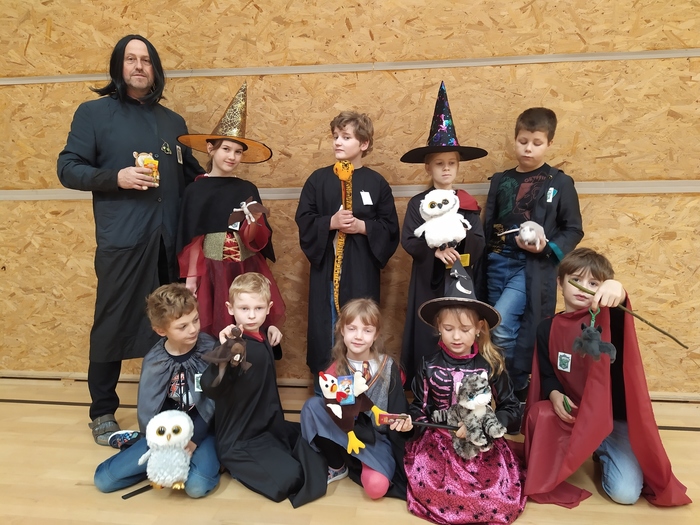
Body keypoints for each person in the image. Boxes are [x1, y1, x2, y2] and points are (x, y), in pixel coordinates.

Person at [57, 34, 204, 444]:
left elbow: (192, 177)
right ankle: (102, 410)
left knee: (175, 320)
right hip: (123, 238)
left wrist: (224, 185)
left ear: (155, 69)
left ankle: (174, 399)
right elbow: (67, 168)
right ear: (118, 67)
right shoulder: (93, 114)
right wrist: (115, 177)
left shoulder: (173, 122)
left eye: (146, 60)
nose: (139, 66)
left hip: (168, 241)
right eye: (130, 59)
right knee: (112, 321)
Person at [522, 247, 691, 508]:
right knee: (540, 413)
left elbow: (621, 317)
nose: (583, 288)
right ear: (560, 283)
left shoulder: (610, 320)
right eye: (575, 280)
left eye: (594, 283)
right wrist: (554, 394)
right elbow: (547, 372)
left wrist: (618, 290)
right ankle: (581, 446)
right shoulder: (547, 328)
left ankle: (601, 451)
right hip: (575, 417)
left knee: (626, 495)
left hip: (611, 421)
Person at [405, 259, 525, 525]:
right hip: (439, 444)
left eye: (465, 329)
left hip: (481, 443)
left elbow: (512, 409)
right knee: (434, 490)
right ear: (438, 327)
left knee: (495, 497)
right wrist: (411, 423)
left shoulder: (491, 365)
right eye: (448, 329)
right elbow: (418, 408)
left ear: (479, 327)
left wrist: (482, 424)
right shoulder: (428, 364)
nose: (456, 337)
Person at [477, 107, 584, 401]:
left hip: (529, 268)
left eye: (537, 143)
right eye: (523, 141)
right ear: (515, 139)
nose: (528, 148)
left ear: (549, 143)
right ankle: (500, 391)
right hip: (495, 263)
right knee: (492, 328)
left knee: (502, 325)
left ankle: (513, 390)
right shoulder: (500, 180)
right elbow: (489, 224)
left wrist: (546, 248)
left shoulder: (559, 182)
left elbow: (573, 229)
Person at [199, 273, 326, 505]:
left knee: (315, 439)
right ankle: (235, 466)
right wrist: (225, 354)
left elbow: (263, 353)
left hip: (268, 425)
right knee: (291, 479)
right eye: (244, 308)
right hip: (239, 438)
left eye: (258, 308)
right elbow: (211, 387)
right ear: (230, 308)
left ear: (268, 308)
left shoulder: (263, 335)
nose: (251, 315)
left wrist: (272, 329)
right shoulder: (231, 345)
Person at [295, 111, 400, 384]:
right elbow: (304, 220)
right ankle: (324, 390)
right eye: (335, 136)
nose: (338, 142)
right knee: (326, 329)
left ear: (364, 143)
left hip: (360, 273)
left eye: (346, 137)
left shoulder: (376, 183)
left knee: (359, 328)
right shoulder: (318, 180)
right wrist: (330, 222)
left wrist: (363, 227)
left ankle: (362, 390)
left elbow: (390, 228)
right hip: (327, 274)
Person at [176, 82, 285, 345]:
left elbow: (260, 240)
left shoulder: (247, 188)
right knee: (213, 324)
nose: (232, 156)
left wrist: (254, 223)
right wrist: (191, 280)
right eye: (226, 149)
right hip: (212, 270)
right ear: (211, 149)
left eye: (238, 152)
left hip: (245, 267)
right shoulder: (196, 190)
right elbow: (193, 239)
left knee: (249, 319)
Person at [93, 284, 220, 498]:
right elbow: (151, 407)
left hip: (203, 432)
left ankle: (208, 462)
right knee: (104, 480)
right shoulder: (155, 360)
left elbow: (213, 403)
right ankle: (152, 463)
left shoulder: (210, 349)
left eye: (196, 320)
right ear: (161, 330)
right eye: (182, 326)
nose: (193, 329)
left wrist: (193, 440)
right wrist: (165, 445)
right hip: (167, 434)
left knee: (196, 487)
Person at [400, 81, 488, 387]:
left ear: (458, 166)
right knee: (428, 330)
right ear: (428, 167)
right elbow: (409, 239)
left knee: (457, 328)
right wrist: (433, 251)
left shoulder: (467, 204)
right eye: (439, 164)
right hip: (428, 280)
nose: (446, 169)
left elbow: (479, 242)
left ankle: (459, 383)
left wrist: (462, 241)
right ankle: (423, 388)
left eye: (451, 163)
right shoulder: (418, 203)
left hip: (460, 279)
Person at [300, 298, 412, 500]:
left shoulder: (388, 367)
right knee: (312, 406)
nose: (358, 336)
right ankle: (337, 465)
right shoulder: (335, 369)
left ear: (376, 334)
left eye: (367, 330)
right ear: (342, 330)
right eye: (352, 329)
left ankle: (364, 462)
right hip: (345, 434)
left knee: (376, 489)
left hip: (375, 441)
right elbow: (331, 413)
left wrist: (403, 424)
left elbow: (398, 411)